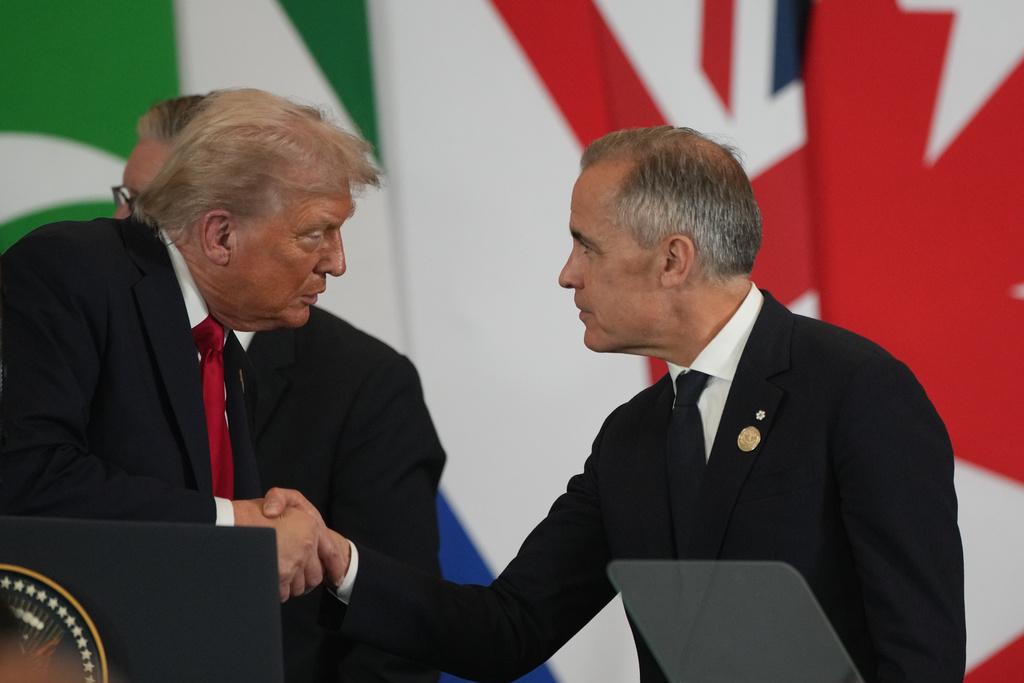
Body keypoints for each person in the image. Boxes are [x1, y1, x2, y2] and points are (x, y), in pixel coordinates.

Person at [310, 127, 966, 682]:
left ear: (673, 260)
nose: (567, 273)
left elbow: (920, 658)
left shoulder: (857, 392)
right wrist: (343, 565)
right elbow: (508, 628)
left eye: (586, 245)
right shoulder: (633, 436)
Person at [0, 88, 381, 602]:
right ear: (220, 236)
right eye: (316, 232)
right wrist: (237, 522)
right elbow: (27, 474)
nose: (337, 262)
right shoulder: (69, 270)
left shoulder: (223, 349)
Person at [114, 95, 445, 683]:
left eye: (155, 209)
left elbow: (394, 636)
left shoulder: (365, 383)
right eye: (129, 201)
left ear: (218, 228)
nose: (124, 228)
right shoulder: (90, 348)